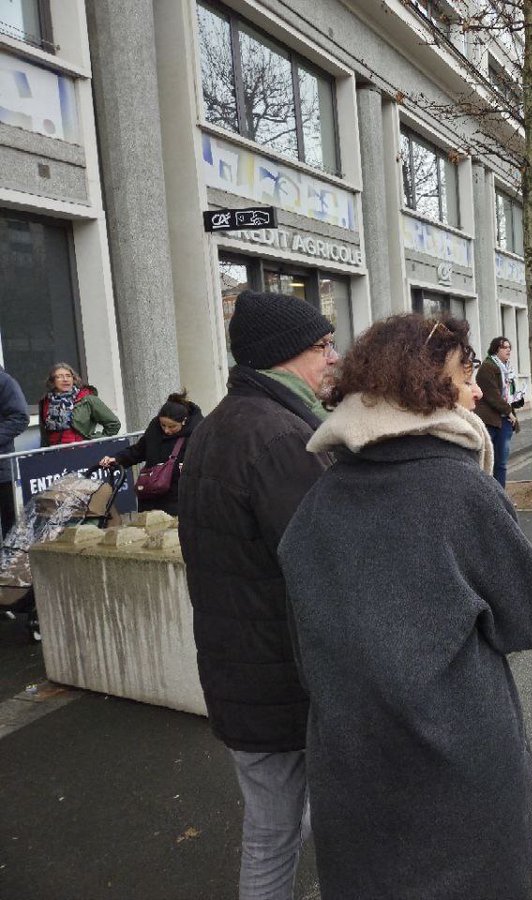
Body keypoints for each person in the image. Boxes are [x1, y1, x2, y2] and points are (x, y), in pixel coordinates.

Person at [278, 314, 532, 899]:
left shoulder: (320, 498)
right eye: (464, 374)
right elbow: (530, 617)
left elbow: (306, 647)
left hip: (350, 765)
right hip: (458, 767)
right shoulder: (458, 490)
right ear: (425, 386)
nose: (478, 387)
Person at [178, 290, 338, 900]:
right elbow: (323, 564)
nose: (333, 357)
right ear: (285, 355)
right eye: (323, 345)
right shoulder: (279, 437)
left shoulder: (221, 425)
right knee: (281, 836)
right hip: (282, 679)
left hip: (241, 670)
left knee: (275, 828)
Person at [98, 392, 203, 516]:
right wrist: (116, 459)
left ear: (184, 421)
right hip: (150, 497)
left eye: (172, 426)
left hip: (179, 499)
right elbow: (139, 450)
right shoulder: (154, 429)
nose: (166, 430)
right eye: (163, 425)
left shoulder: (198, 433)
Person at [38, 363, 121, 446]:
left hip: (82, 451)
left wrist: (94, 441)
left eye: (68, 376)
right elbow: (44, 434)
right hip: (55, 452)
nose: (65, 379)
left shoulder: (87, 399)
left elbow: (113, 424)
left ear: (73, 379)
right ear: (52, 381)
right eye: (59, 376)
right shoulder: (46, 402)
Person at [477, 336, 521, 487]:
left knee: (501, 463)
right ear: (496, 349)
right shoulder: (486, 368)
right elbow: (492, 396)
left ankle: (501, 497)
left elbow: (508, 394)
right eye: (505, 347)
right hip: (490, 420)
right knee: (487, 462)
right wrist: (509, 412)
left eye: (509, 347)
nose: (508, 350)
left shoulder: (508, 369)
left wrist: (517, 399)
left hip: (505, 422)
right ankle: (488, 496)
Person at [0, 366, 28, 538]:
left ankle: (9, 562)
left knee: (8, 525)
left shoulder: (4, 382)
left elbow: (20, 417)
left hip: (2, 469)